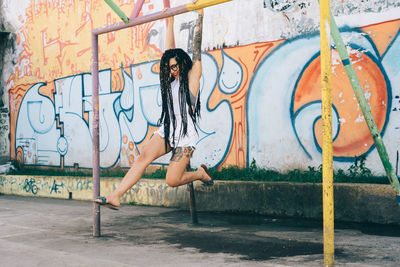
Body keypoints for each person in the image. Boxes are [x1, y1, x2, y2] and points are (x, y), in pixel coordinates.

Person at [95, 7, 213, 210]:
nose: (172, 70)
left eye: (175, 67)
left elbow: (196, 49)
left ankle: (200, 174)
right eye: (170, 67)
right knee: (143, 158)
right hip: (168, 130)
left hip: (185, 136)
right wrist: (170, 21)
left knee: (172, 180)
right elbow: (168, 48)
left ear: (184, 64)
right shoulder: (171, 79)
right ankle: (116, 195)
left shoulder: (193, 78)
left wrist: (199, 15)